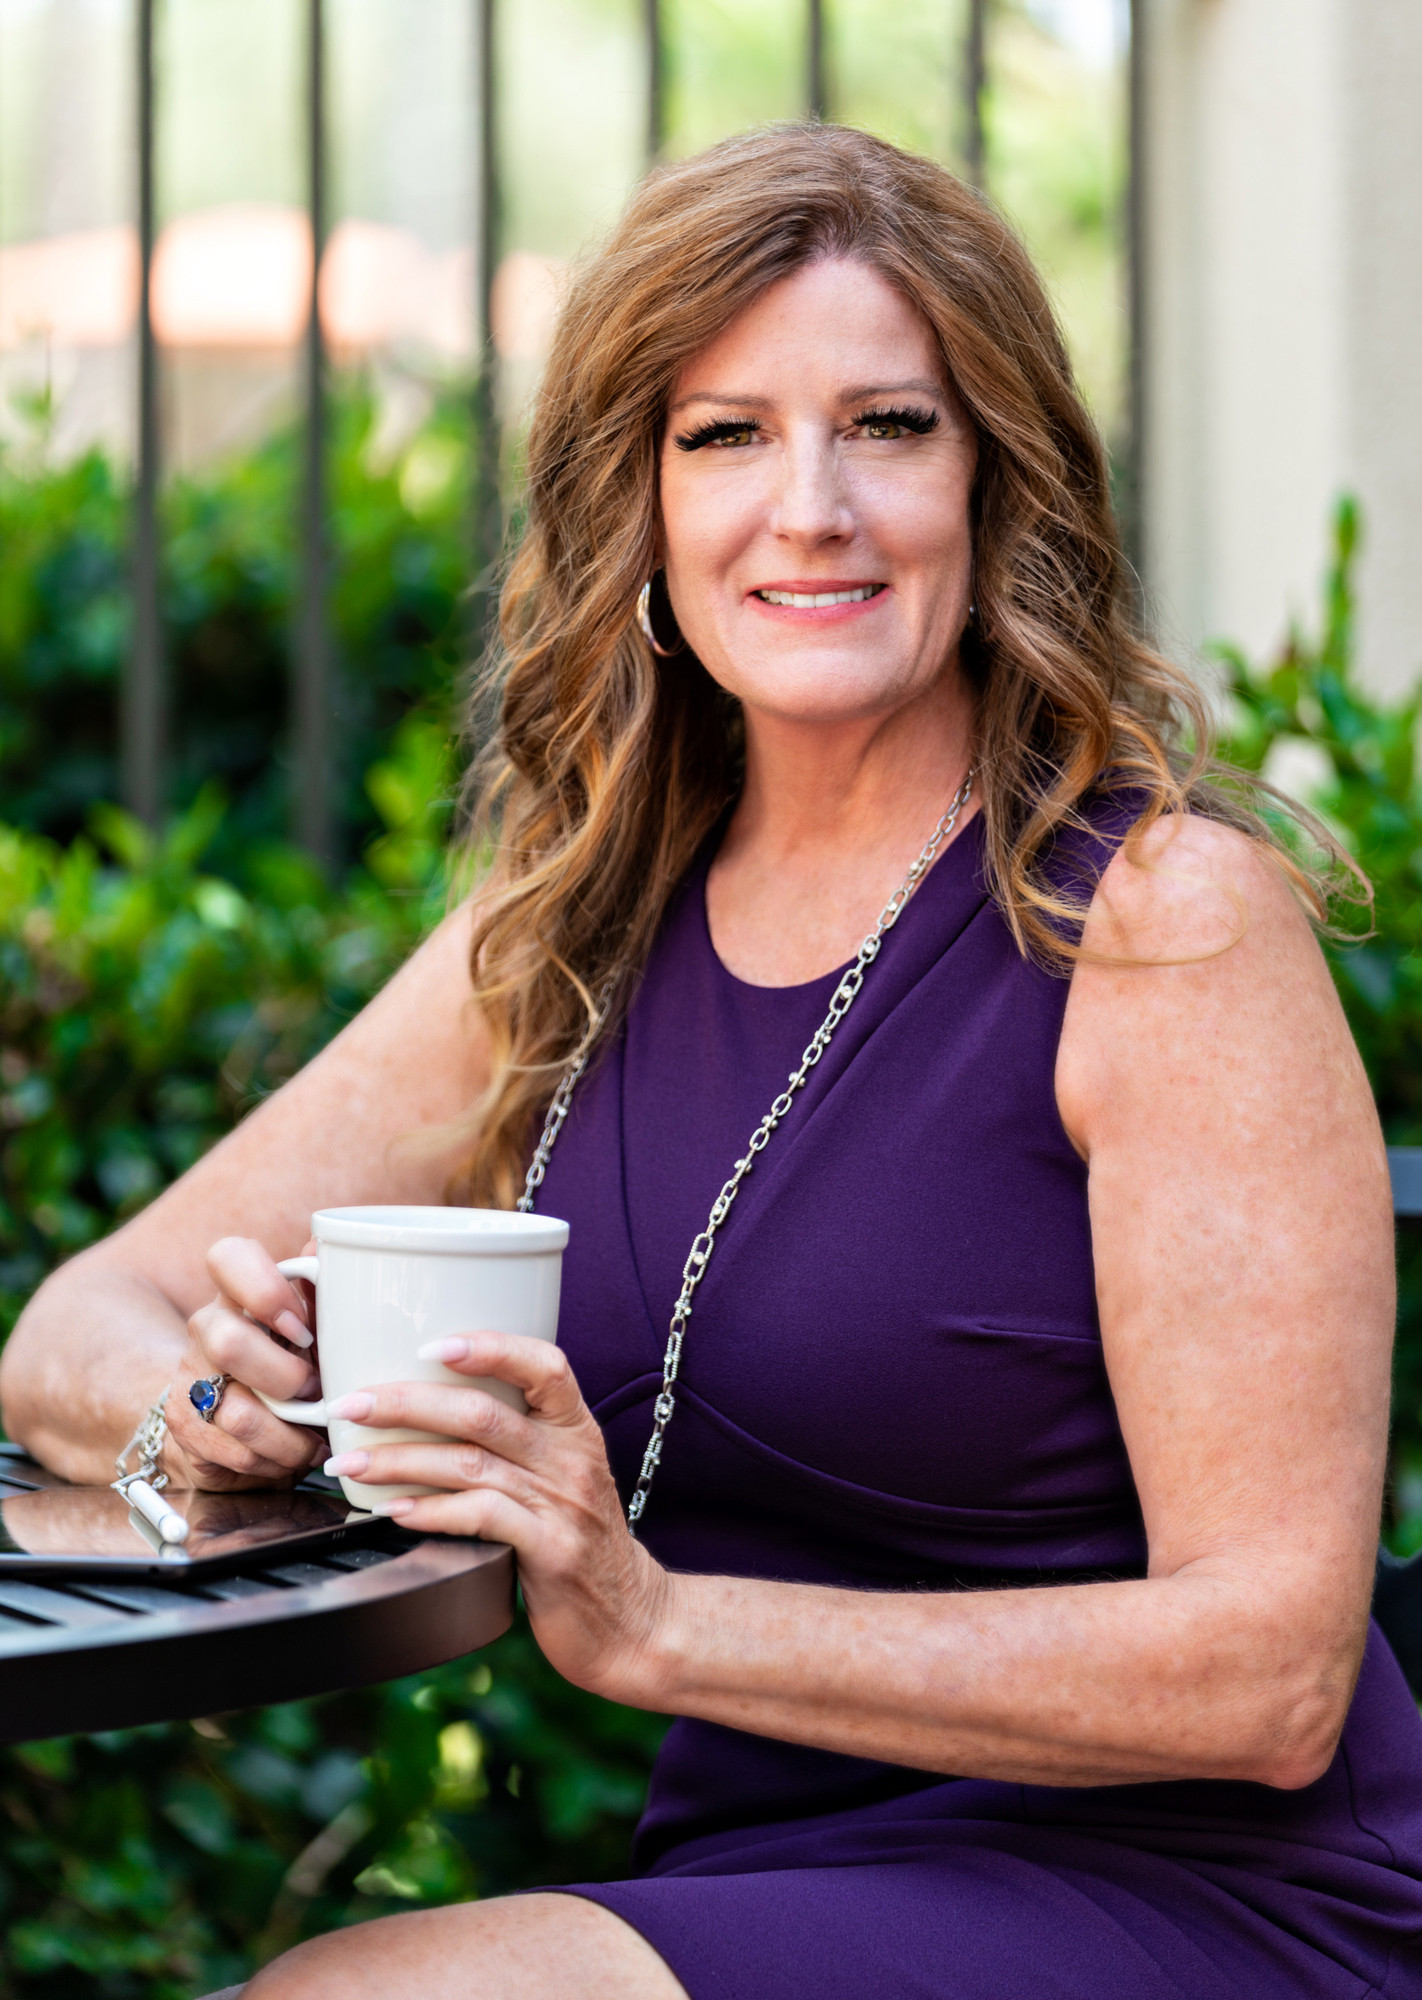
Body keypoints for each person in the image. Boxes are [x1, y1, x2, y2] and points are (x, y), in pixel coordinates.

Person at [4, 123, 1421, 1999]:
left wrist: (659, 1627)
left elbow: (1266, 1676)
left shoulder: (1159, 920)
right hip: (761, 1872)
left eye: (890, 427)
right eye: (725, 433)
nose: (809, 509)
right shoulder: (581, 912)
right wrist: (219, 1424)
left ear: (1001, 484)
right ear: (641, 508)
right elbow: (76, 1329)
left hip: (1189, 1886)